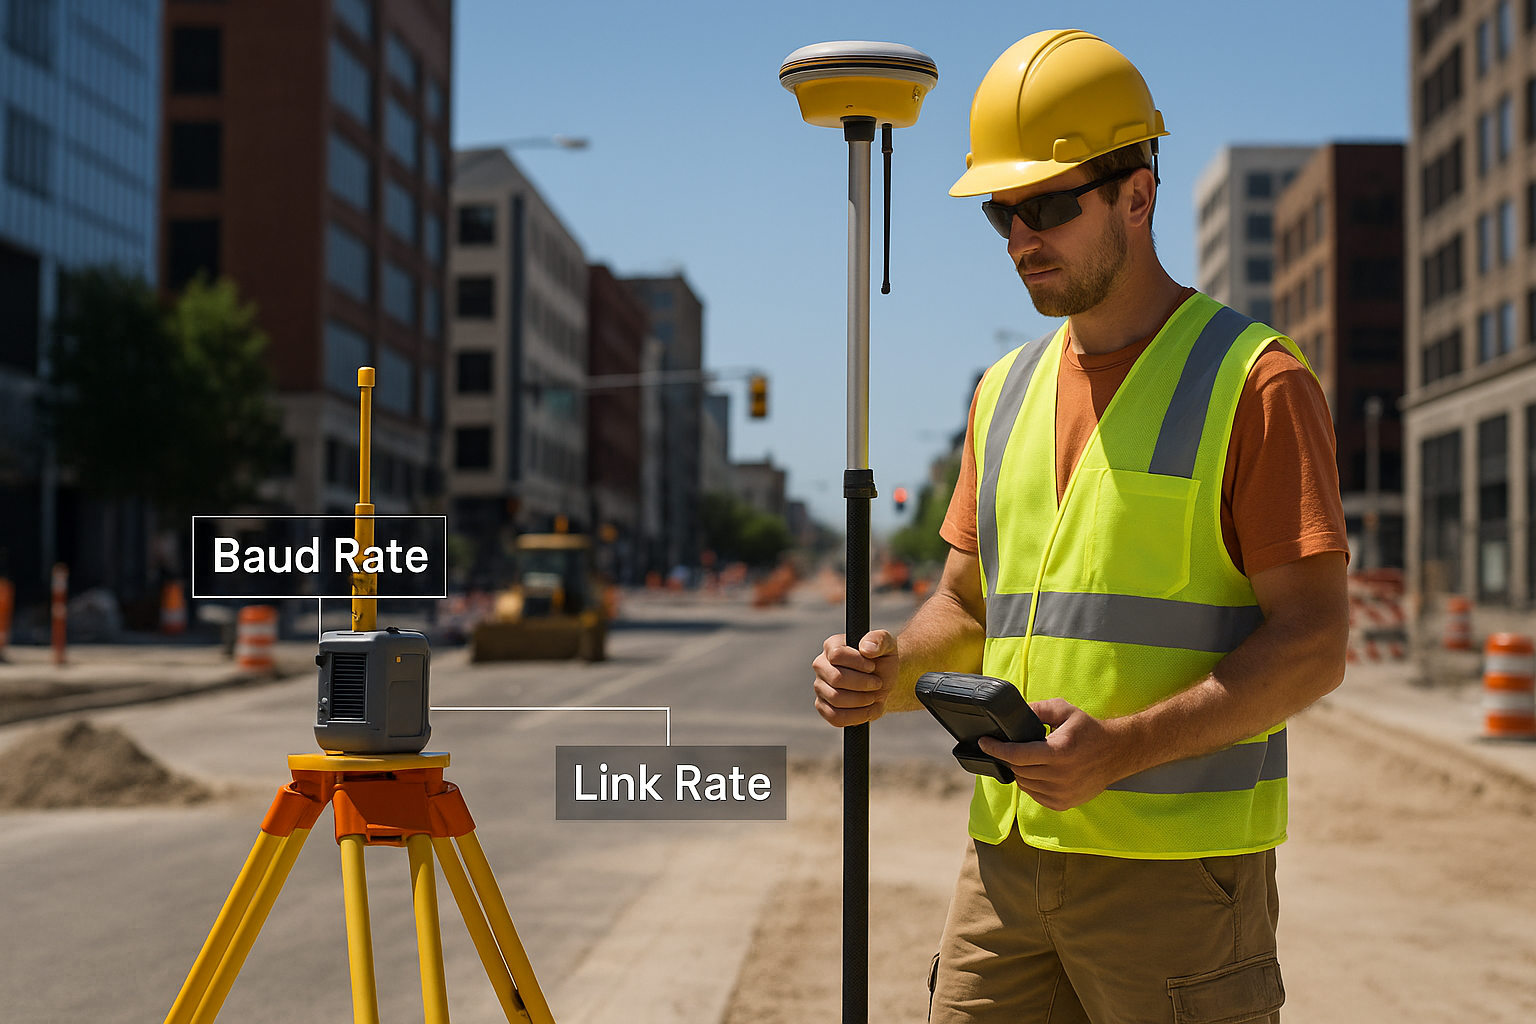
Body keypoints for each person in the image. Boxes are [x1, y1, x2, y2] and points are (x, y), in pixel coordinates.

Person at [810, 30, 1350, 1024]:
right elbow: (966, 607)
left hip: (1178, 885)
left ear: (1137, 196)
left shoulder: (1256, 381)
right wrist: (888, 669)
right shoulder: (1003, 394)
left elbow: (1315, 645)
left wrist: (1121, 749)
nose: (1021, 238)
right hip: (1006, 866)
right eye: (1001, 213)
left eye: (1050, 205)